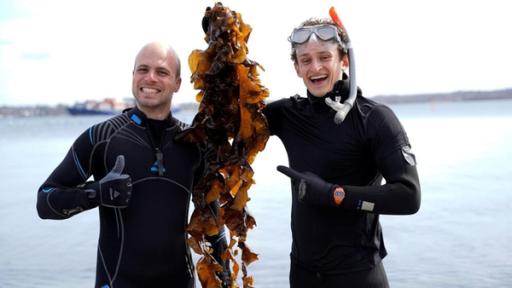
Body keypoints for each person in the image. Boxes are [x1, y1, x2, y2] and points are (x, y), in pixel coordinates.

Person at [37, 42, 229, 288]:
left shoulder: (194, 144)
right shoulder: (100, 139)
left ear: (178, 83)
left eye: (161, 72)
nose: (150, 78)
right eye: (142, 69)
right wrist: (96, 193)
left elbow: (212, 219)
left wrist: (224, 277)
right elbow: (44, 202)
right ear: (133, 76)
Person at [263, 16, 421, 288]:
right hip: (302, 275)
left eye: (325, 57)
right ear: (297, 68)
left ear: (344, 60)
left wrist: (333, 194)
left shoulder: (375, 119)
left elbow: (409, 196)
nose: (316, 68)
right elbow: (227, 127)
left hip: (358, 275)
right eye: (306, 60)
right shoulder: (285, 115)